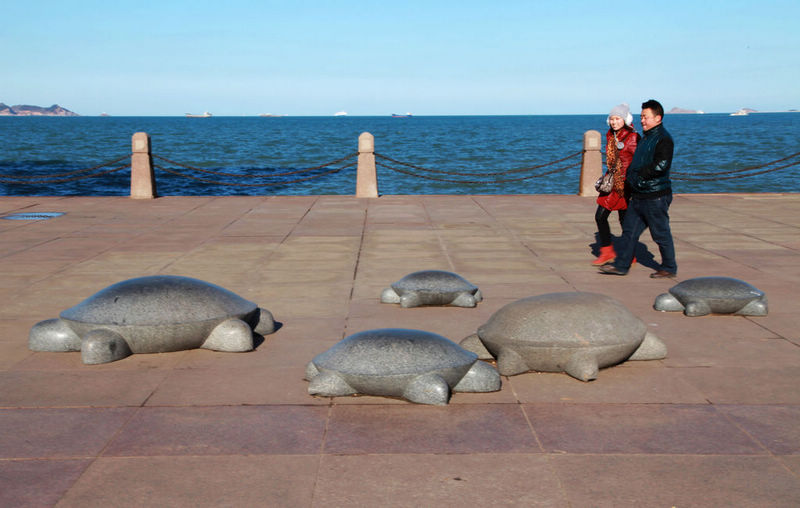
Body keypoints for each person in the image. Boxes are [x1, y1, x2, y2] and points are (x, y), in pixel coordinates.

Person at [600, 99, 677, 278]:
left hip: (655, 195)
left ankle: (669, 267)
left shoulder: (664, 139)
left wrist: (638, 175)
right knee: (629, 231)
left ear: (658, 118)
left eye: (646, 117)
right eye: (641, 116)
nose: (642, 120)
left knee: (660, 233)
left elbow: (661, 165)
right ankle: (621, 265)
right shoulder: (646, 137)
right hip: (640, 194)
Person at [592, 103, 638, 265]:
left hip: (625, 185)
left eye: (617, 118)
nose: (614, 122)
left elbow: (638, 161)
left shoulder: (633, 137)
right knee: (601, 216)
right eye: (611, 119)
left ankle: (629, 254)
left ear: (625, 119)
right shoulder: (611, 136)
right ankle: (608, 250)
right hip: (611, 183)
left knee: (624, 220)